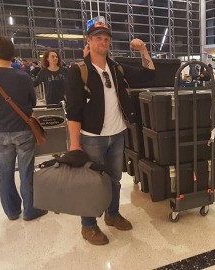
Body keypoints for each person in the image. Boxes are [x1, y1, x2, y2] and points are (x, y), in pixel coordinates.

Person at [64, 22, 155, 245]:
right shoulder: (78, 71)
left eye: (106, 38)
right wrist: (75, 144)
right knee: (91, 182)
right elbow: (73, 111)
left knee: (115, 179)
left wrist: (143, 50)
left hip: (117, 134)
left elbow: (149, 74)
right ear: (88, 40)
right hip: (91, 137)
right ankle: (88, 226)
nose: (102, 41)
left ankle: (112, 214)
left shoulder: (116, 68)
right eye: (97, 38)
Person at [0, 36, 48, 221]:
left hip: (0, 131)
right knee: (26, 171)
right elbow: (33, 101)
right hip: (23, 130)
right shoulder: (23, 76)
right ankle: (30, 209)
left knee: (4, 172)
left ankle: (12, 211)